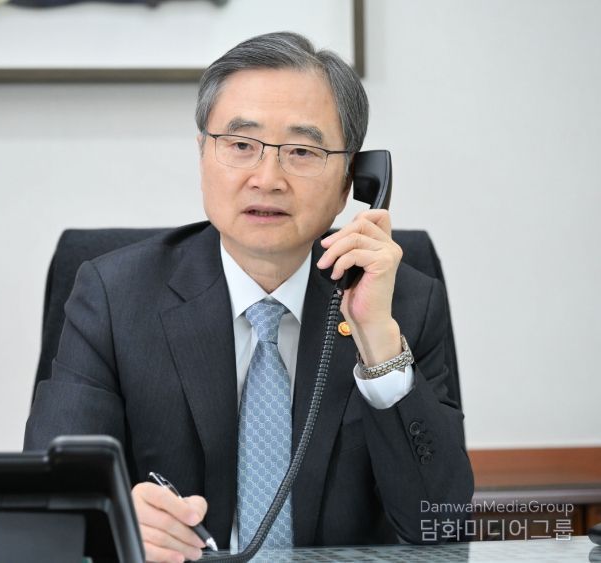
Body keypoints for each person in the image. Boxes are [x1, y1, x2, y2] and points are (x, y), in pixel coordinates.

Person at [25, 31, 473, 563]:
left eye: (302, 151)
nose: (267, 178)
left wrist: (378, 345)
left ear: (351, 181)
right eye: (241, 145)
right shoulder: (114, 297)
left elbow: (441, 524)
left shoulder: (402, 306)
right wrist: (114, 519)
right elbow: (50, 506)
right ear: (202, 154)